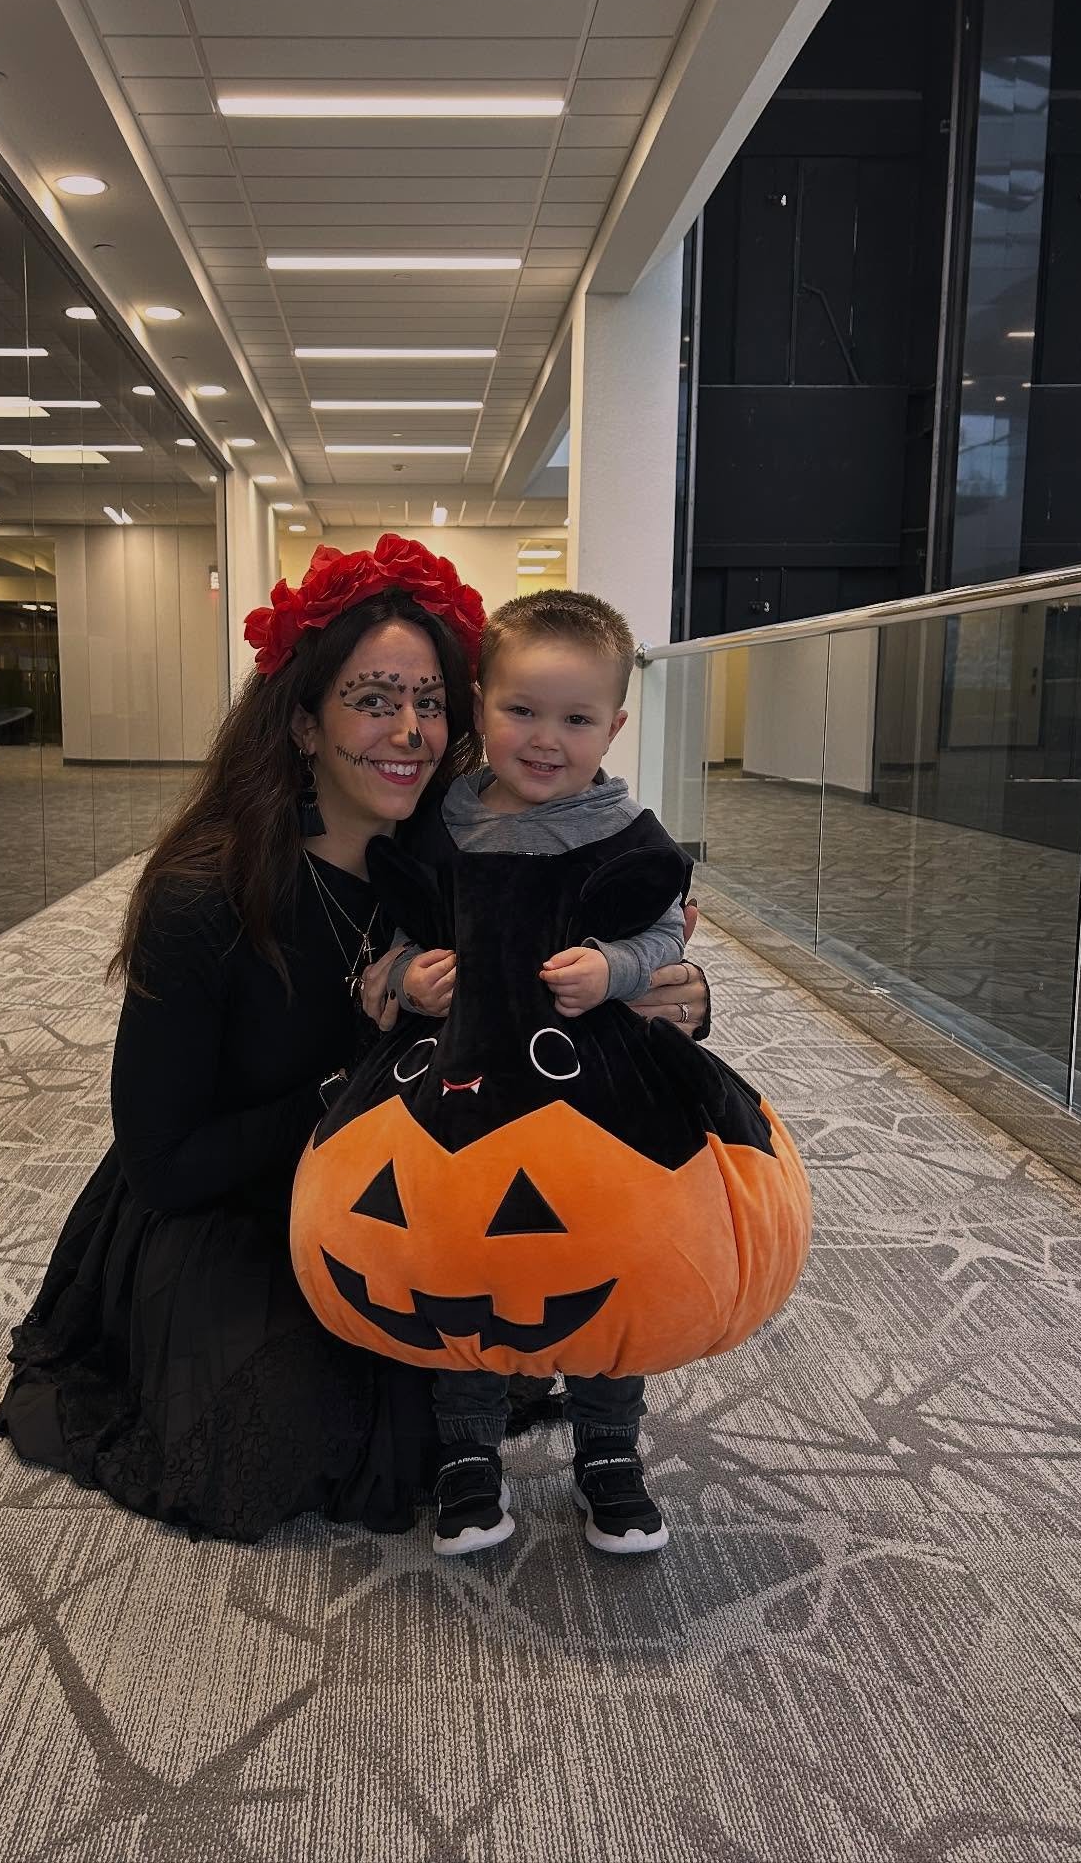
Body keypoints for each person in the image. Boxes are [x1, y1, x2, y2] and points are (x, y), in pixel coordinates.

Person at [0, 537, 711, 1544]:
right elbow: (164, 1162)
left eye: (429, 702)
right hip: (230, 1196)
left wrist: (669, 996)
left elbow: (582, 971)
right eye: (374, 698)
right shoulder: (207, 896)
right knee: (291, 1425)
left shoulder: (461, 850)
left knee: (473, 1357)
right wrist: (344, 1093)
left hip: (416, 1188)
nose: (410, 732)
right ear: (303, 720)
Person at [379, 590, 687, 1559]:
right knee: (465, 1271)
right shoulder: (446, 825)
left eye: (576, 718)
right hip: (466, 1090)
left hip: (590, 1096)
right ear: (480, 706)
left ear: (615, 726)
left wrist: (618, 970)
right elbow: (394, 931)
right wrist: (399, 980)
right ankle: (468, 1454)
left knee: (599, 1275)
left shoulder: (625, 833)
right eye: (521, 711)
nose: (545, 739)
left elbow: (666, 928)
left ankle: (608, 1451)